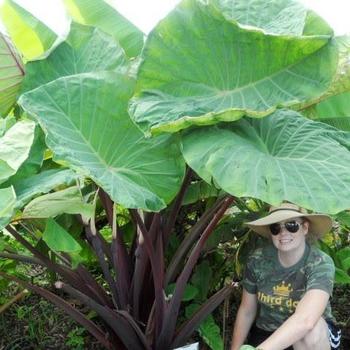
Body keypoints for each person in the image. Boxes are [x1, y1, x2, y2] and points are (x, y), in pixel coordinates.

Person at [230, 202, 341, 350]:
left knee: (310, 332)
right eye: (276, 227)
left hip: (311, 339)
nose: (283, 233)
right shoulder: (257, 260)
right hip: (267, 333)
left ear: (305, 228)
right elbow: (247, 310)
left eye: (291, 225)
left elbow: (306, 320)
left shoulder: (319, 263)